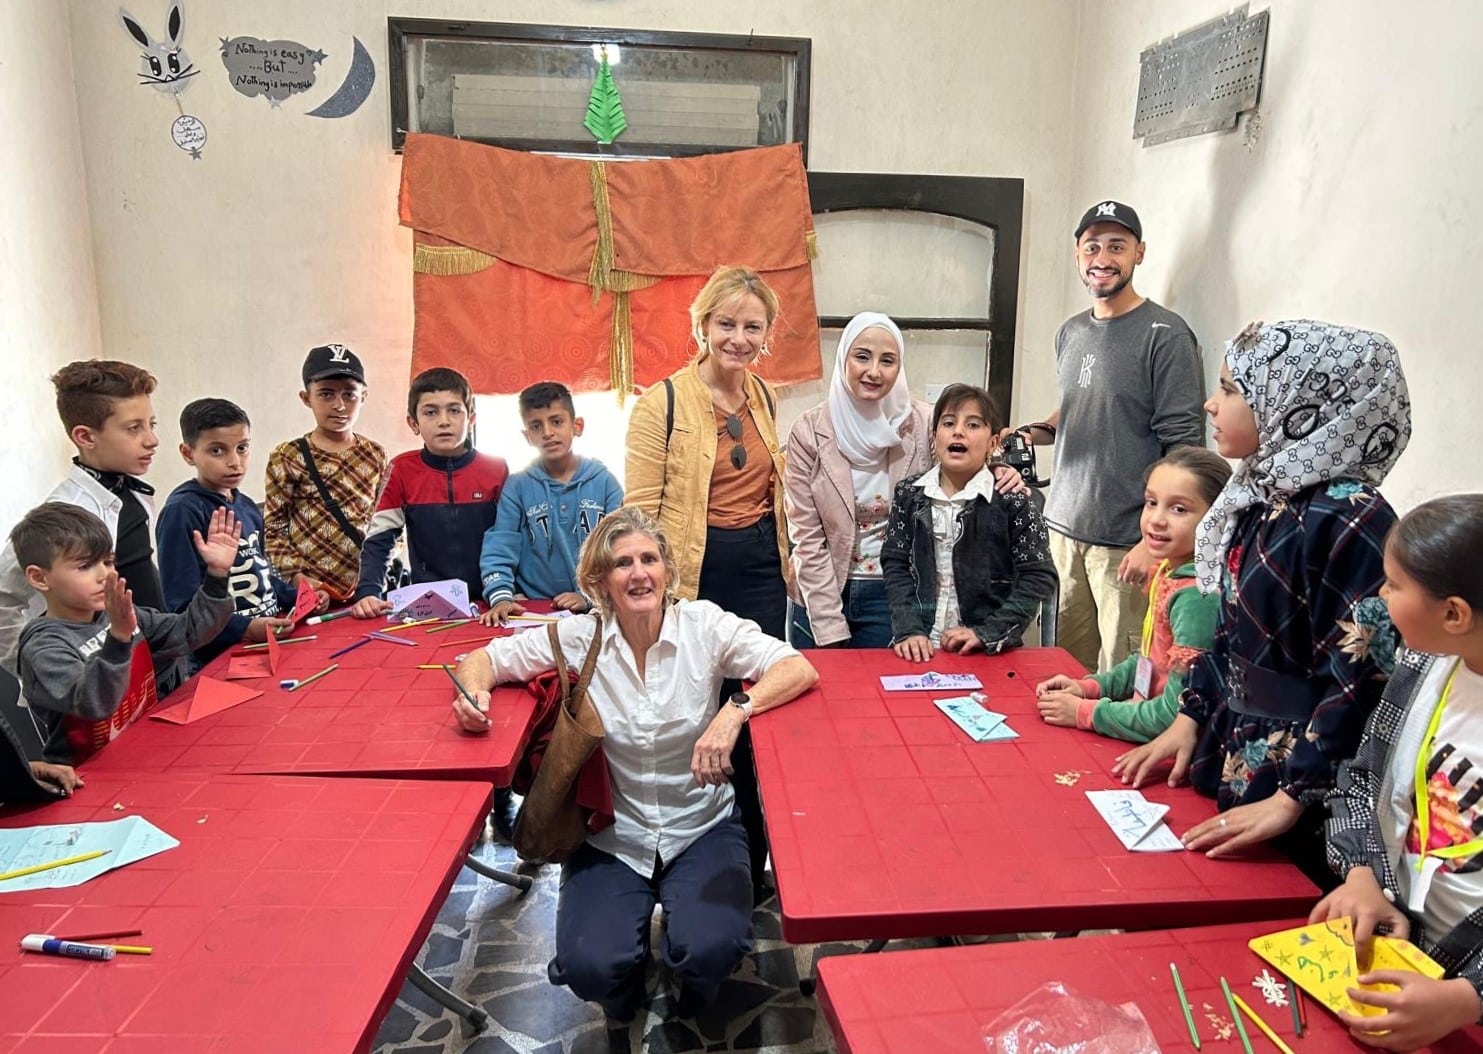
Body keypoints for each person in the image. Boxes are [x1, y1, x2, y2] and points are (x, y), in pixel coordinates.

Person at [448, 506, 817, 1023]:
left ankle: (694, 992)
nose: (639, 573)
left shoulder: (704, 626)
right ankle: (625, 996)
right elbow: (488, 658)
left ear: (667, 569)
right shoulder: (581, 637)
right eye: (622, 563)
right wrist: (472, 697)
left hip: (702, 825)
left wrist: (735, 711)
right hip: (614, 834)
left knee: (713, 949)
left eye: (649, 559)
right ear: (600, 580)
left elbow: (795, 665)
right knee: (590, 965)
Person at [1114, 320, 1411, 881]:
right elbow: (1227, 632)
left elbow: (1360, 676)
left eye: (1229, 389)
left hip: (1307, 786)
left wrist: (1296, 794)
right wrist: (1188, 718)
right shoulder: (1254, 501)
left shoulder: (1350, 519)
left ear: (1298, 405)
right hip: (1233, 746)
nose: (1210, 403)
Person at [625, 265, 790, 900]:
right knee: (689, 711)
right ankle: (682, 860)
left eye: (752, 326)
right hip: (691, 576)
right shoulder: (660, 403)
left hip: (758, 570)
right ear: (703, 324)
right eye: (727, 324)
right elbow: (638, 515)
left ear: (767, 333)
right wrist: (647, 596)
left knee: (751, 709)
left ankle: (751, 860)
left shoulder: (767, 398)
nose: (739, 338)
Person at [1004, 201, 1205, 674]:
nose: (1103, 257)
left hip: (1125, 544)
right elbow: (1084, 404)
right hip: (1063, 533)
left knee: (1128, 674)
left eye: (1117, 246)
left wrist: (1153, 545)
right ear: (1077, 254)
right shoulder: (1071, 332)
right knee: (1063, 670)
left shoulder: (1166, 335)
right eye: (1092, 246)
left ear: (1139, 253)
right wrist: (1037, 432)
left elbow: (1184, 449)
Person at [1312, 495, 1483, 1049]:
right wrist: (1363, 875)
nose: (1380, 598)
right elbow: (1363, 780)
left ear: (1454, 613)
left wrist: (1467, 996)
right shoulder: (1426, 664)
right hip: (1411, 948)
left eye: (1392, 585)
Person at [785, 313, 1024, 649]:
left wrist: (998, 467)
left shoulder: (924, 424)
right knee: (821, 694)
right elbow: (806, 536)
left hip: (893, 592)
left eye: (888, 360)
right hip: (818, 590)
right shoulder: (809, 431)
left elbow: (966, 450)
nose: (874, 371)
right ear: (843, 360)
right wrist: (828, 625)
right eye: (862, 357)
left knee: (884, 697)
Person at [12, 502, 238, 763]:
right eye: (84, 566)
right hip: (88, 775)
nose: (104, 575)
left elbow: (189, 632)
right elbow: (94, 703)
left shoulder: (115, 615)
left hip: (143, 750)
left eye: (108, 562)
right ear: (40, 578)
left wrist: (217, 575)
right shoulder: (44, 647)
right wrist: (119, 638)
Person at [1035, 446, 1230, 742]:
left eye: (1179, 509)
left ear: (1220, 517)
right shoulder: (1170, 570)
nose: (1156, 519)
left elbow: (1175, 716)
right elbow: (1149, 662)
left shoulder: (1197, 597)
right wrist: (1090, 688)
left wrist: (1086, 712)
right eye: (1151, 502)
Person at [0, 360, 163, 678]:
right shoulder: (63, 512)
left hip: (154, 660)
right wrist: (45, 671)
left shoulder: (132, 492)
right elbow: (3, 597)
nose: (151, 440)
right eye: (134, 428)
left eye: (151, 425)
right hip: (106, 681)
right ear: (86, 437)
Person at [881, 384, 1057, 661]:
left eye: (973, 424)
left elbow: (1039, 576)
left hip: (987, 651)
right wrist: (908, 629)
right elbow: (896, 565)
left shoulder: (1013, 501)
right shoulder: (909, 495)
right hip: (919, 648)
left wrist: (987, 633)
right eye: (948, 423)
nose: (958, 431)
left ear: (993, 442)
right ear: (935, 435)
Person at [351, 367, 507, 616]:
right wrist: (368, 592)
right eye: (431, 412)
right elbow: (380, 538)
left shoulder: (496, 469)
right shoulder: (401, 470)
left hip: (493, 600)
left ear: (471, 419)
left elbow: (511, 538)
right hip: (429, 605)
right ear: (413, 423)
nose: (443, 421)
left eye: (454, 410)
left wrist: (506, 592)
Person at [157, 398, 295, 667]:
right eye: (217, 451)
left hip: (267, 643)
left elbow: (260, 575)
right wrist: (244, 628)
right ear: (188, 453)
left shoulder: (247, 507)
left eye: (242, 448)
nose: (235, 462)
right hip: (217, 658)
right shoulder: (182, 512)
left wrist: (298, 595)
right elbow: (181, 606)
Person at [478, 381, 623, 626]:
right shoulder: (517, 486)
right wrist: (501, 596)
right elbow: (500, 544)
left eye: (556, 421)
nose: (547, 432)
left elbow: (620, 549)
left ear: (577, 426)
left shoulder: (605, 482)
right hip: (534, 611)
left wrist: (590, 597)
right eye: (536, 426)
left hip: (597, 609)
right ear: (527, 436)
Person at [264, 345, 387, 604]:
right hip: (307, 594)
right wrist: (299, 579)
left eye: (349, 395)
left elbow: (386, 523)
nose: (339, 405)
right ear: (306, 397)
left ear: (363, 396)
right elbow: (273, 528)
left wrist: (372, 579)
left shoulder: (375, 454)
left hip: (367, 591)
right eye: (326, 394)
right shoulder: (288, 455)